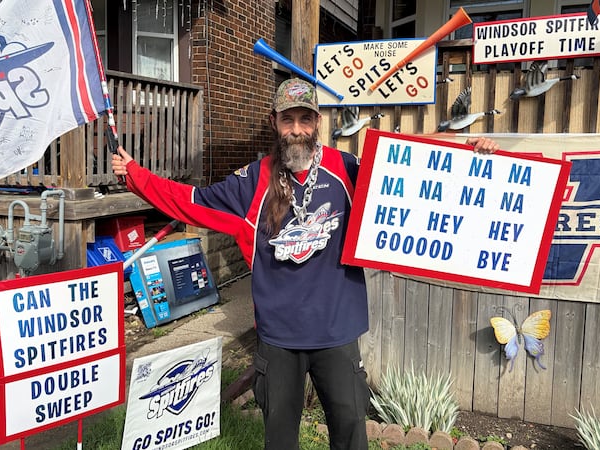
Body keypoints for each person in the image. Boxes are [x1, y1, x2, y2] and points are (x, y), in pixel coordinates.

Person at [111, 78, 499, 450]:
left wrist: (465, 151)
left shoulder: (346, 169)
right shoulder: (251, 183)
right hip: (279, 340)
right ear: (274, 123)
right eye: (287, 119)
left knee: (350, 435)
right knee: (280, 440)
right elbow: (190, 200)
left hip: (337, 333)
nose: (296, 129)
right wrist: (135, 175)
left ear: (317, 123)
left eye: (305, 119)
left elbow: (413, 171)